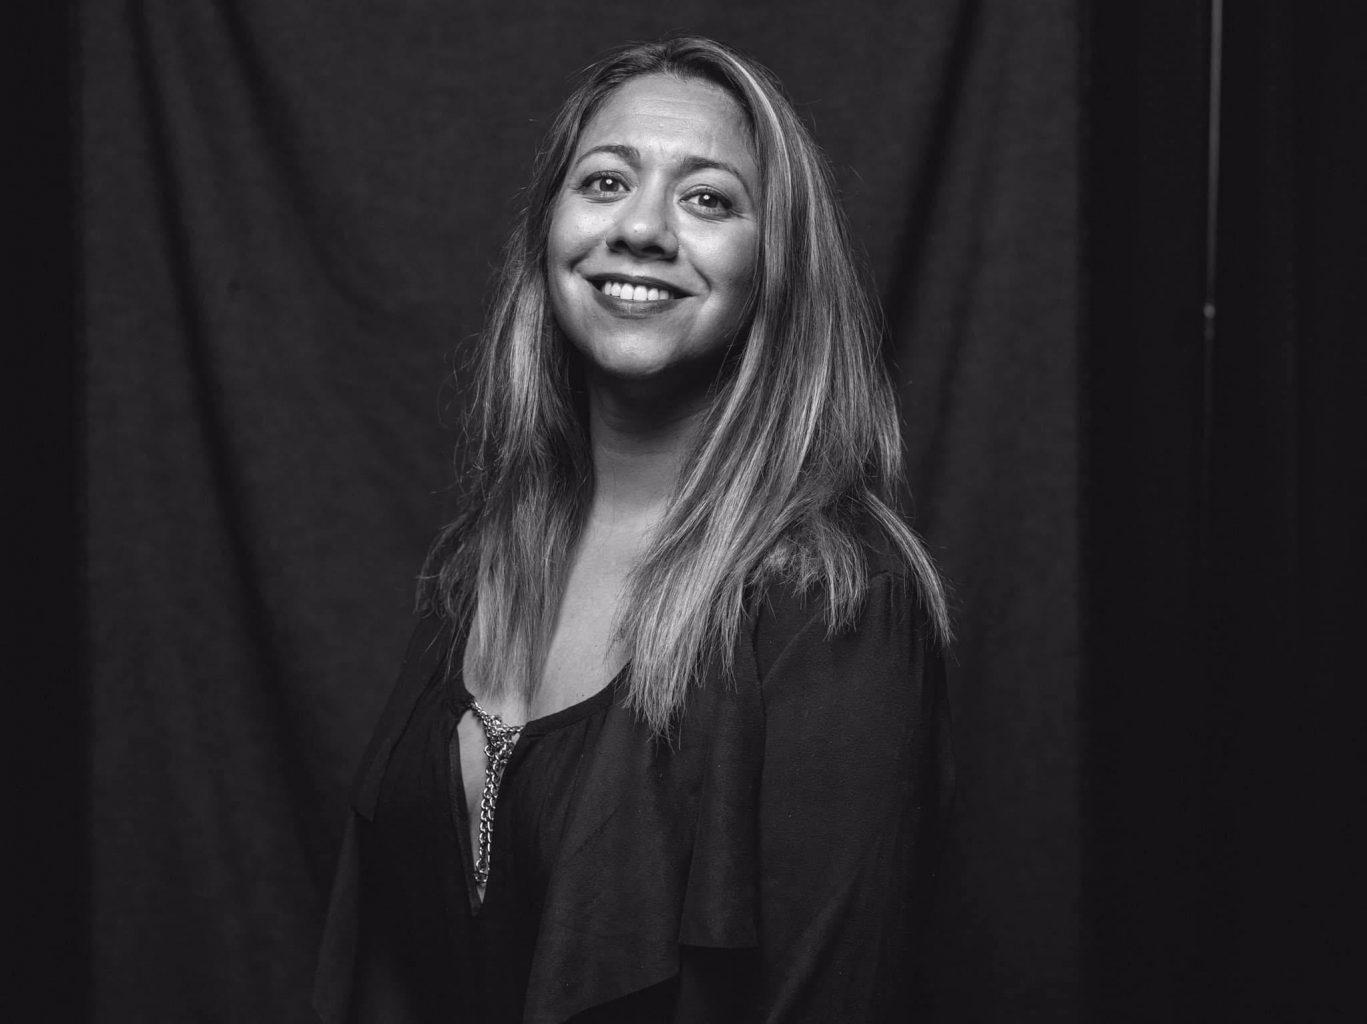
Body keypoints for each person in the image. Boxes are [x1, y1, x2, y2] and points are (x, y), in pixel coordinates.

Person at [314, 36, 953, 1024]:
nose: (643, 229)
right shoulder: (479, 565)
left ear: (773, 266)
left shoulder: (834, 604)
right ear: (548, 230)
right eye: (605, 181)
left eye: (707, 199)